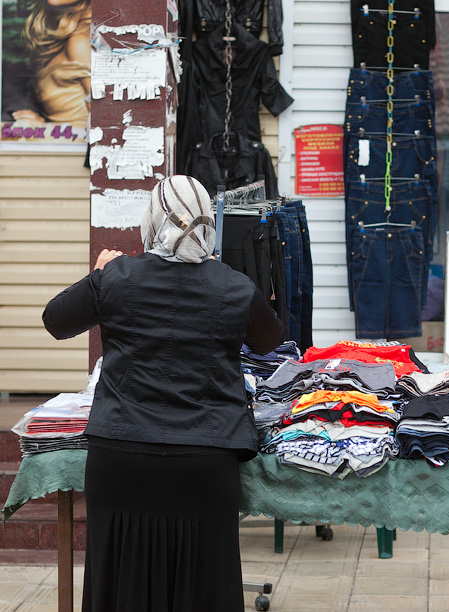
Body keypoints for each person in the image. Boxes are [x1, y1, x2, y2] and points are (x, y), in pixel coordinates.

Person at [42, 175, 285, 612]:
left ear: (152, 221)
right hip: (206, 462)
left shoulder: (116, 277)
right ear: (208, 222)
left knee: (123, 585)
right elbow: (271, 340)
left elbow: (56, 320)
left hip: (122, 458)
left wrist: (98, 273)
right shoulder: (234, 286)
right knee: (202, 588)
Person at [12, 0, 90, 124]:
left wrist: (46, 131)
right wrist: (44, 127)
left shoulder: (80, 43)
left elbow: (106, 127)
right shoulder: (57, 37)